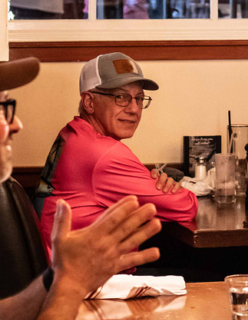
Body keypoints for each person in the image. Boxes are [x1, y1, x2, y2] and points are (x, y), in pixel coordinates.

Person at [0, 57, 163, 320]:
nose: (17, 123)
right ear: (90, 101)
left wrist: (56, 277)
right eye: (4, 107)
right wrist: (71, 283)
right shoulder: (100, 149)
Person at [35, 52, 198, 252]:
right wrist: (172, 189)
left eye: (139, 98)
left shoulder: (72, 134)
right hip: (88, 280)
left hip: (64, 270)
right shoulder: (103, 154)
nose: (134, 109)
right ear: (89, 102)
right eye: (121, 97)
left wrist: (149, 183)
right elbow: (185, 207)